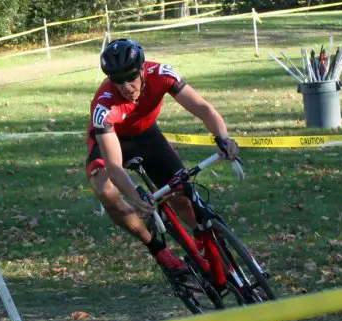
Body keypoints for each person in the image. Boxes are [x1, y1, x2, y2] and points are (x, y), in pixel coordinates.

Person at [86, 38, 239, 280]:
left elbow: (204, 109)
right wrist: (135, 196)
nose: (126, 86)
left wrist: (222, 138)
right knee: (105, 190)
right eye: (118, 80)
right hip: (111, 141)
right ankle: (157, 249)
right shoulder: (104, 106)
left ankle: (201, 237)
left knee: (180, 194)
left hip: (146, 136)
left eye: (131, 76)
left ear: (142, 69)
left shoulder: (162, 74)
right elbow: (114, 166)